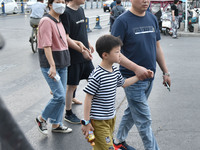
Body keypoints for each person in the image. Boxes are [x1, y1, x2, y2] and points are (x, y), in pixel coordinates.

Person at [111, 0, 171, 149]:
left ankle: (118, 142)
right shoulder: (122, 21)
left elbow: (157, 47)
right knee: (144, 120)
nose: (146, 1)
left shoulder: (151, 18)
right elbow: (115, 53)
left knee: (132, 111)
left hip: (150, 77)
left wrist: (165, 72)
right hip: (132, 79)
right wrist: (136, 68)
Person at [81, 34, 154, 150]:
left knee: (100, 146)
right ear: (105, 55)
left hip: (111, 118)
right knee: (108, 147)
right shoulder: (97, 75)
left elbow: (124, 83)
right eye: (117, 52)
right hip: (99, 121)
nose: (120, 55)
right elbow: (88, 98)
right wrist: (86, 121)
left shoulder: (114, 70)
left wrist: (139, 76)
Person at [35, 0, 90, 135]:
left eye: (62, 1)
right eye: (57, 1)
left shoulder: (58, 20)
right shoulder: (46, 21)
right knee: (59, 96)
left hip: (63, 63)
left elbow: (63, 39)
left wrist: (79, 43)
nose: (61, 4)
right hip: (52, 65)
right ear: (50, 4)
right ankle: (41, 118)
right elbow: (47, 45)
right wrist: (52, 66)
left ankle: (56, 124)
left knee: (61, 95)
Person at [60, 0, 94, 124]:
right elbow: (67, 38)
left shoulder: (80, 10)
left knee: (94, 79)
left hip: (85, 54)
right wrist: (81, 50)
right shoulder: (66, 13)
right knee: (72, 85)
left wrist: (88, 43)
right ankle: (68, 113)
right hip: (74, 56)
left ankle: (95, 108)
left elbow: (82, 31)